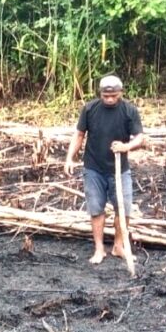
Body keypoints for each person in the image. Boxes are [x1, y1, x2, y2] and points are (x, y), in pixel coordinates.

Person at [64, 75, 146, 264]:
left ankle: (118, 246)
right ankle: (99, 249)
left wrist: (126, 147)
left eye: (114, 96)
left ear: (121, 93)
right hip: (93, 168)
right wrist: (69, 158)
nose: (109, 99)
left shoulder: (129, 111)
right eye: (106, 96)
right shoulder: (90, 109)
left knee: (123, 209)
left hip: (119, 169)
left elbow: (140, 138)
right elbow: (79, 135)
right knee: (96, 208)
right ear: (100, 94)